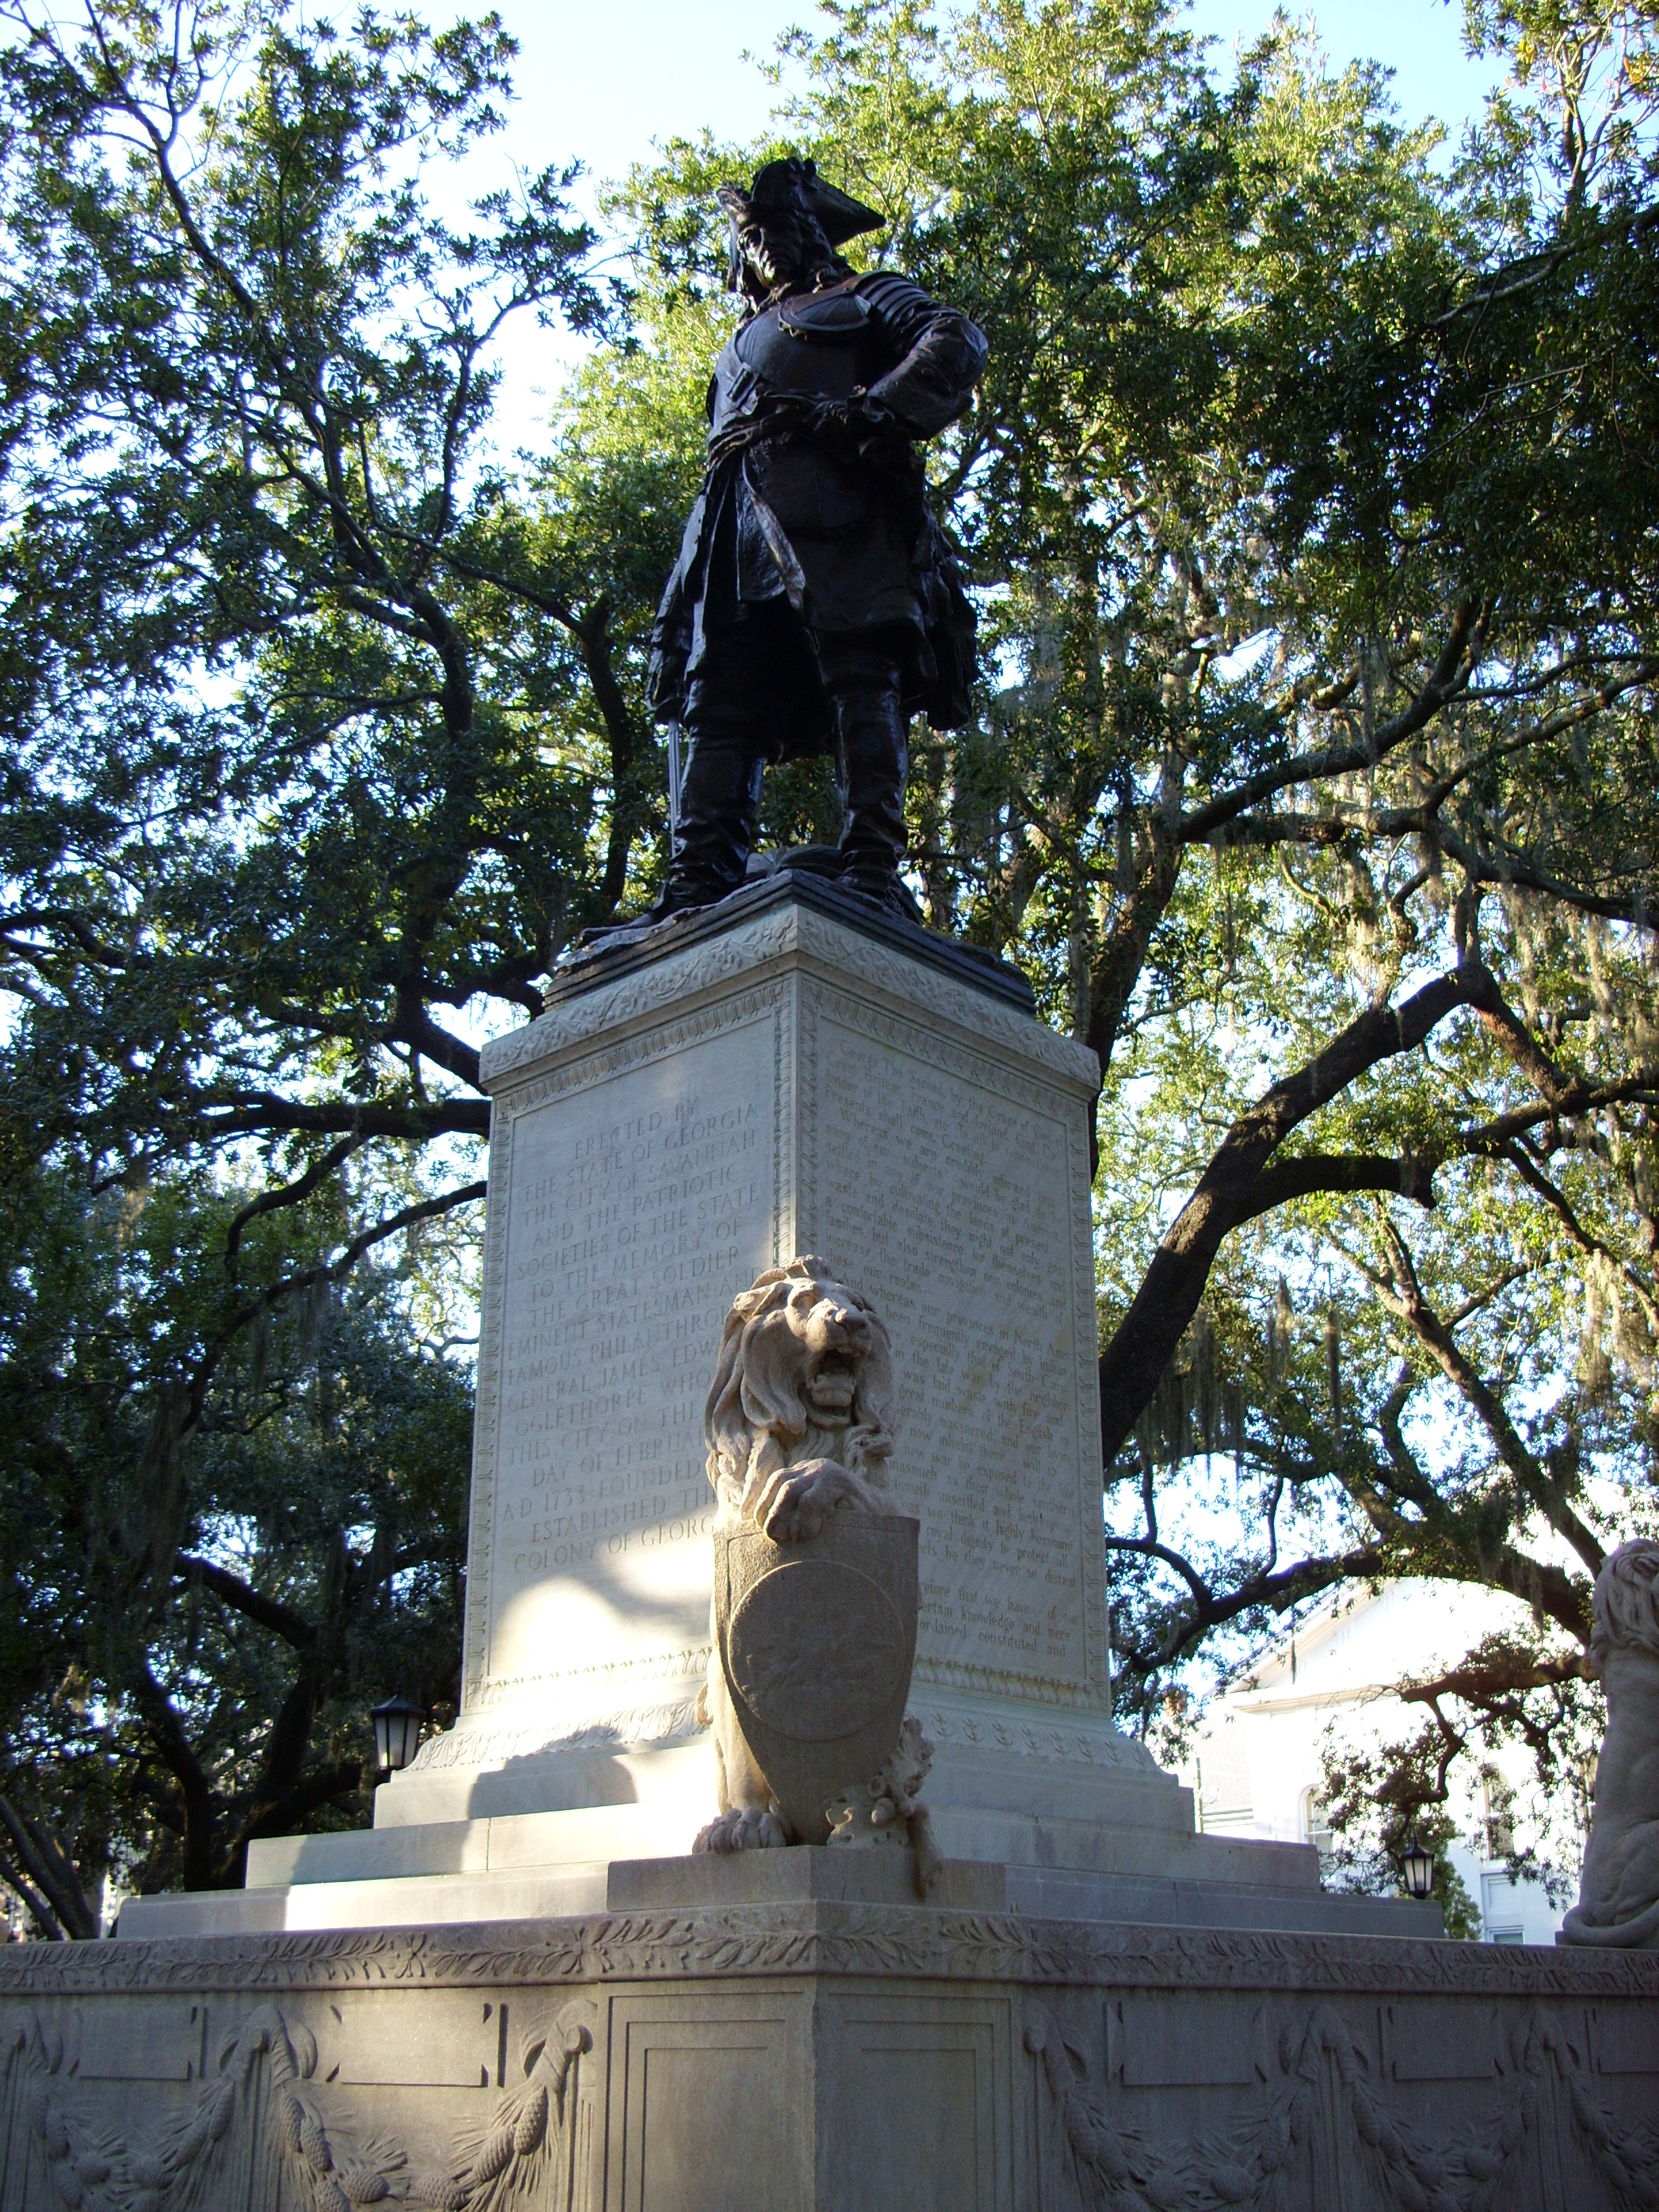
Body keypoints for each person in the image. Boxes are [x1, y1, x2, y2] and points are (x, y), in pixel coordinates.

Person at [642, 156, 988, 922]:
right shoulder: (740, 337)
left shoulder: (865, 294)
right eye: (750, 238)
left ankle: (872, 863)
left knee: (861, 674)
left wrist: (875, 412)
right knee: (719, 697)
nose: (761, 251)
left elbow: (954, 338)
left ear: (808, 232)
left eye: (774, 232)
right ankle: (699, 877)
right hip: (732, 519)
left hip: (836, 510)